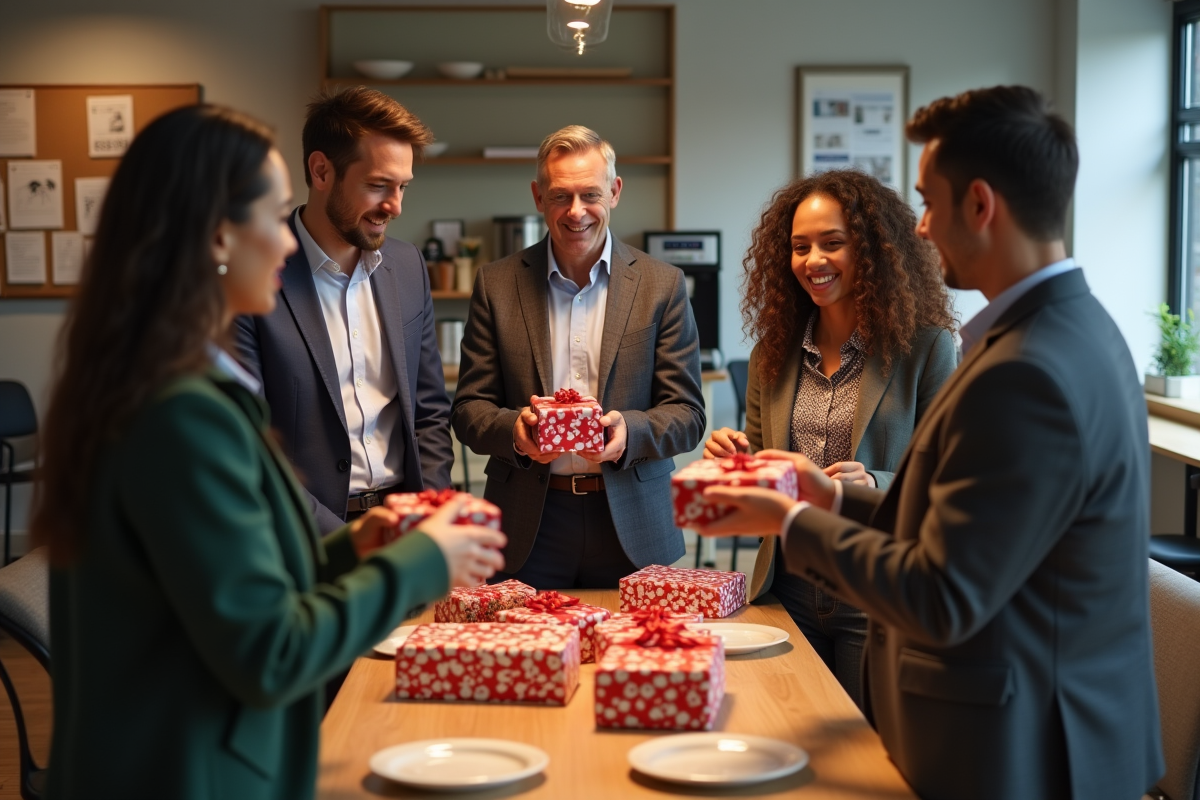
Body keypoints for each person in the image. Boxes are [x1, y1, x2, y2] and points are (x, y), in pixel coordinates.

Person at [698, 86, 1163, 800]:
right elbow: (965, 534)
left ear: (979, 205)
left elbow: (942, 593)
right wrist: (824, 494)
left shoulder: (1026, 371)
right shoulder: (1077, 331)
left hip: (1024, 750)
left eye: (929, 201)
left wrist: (793, 520)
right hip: (1050, 731)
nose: (918, 228)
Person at [32, 105, 506, 800]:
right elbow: (271, 650)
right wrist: (419, 563)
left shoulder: (162, 383)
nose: (286, 245)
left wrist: (358, 547)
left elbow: (230, 583)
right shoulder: (180, 418)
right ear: (220, 234)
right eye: (273, 214)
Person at [704, 168, 957, 708]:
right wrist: (734, 459)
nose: (812, 260)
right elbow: (760, 470)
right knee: (792, 728)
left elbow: (946, 482)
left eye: (832, 243)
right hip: (787, 586)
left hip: (874, 591)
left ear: (871, 251)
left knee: (868, 756)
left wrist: (873, 480)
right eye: (800, 247)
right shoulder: (771, 356)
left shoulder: (928, 350)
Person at [451, 125, 705, 588]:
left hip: (634, 524)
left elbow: (687, 413)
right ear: (537, 196)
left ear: (614, 191)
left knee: (638, 657)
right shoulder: (496, 283)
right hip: (529, 524)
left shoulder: (662, 284)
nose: (576, 212)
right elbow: (469, 409)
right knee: (526, 658)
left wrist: (629, 432)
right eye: (559, 196)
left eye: (590, 194)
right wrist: (517, 433)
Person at [234, 87, 453, 535]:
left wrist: (429, 516)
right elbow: (250, 445)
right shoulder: (252, 277)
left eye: (402, 187)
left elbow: (429, 412)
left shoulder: (408, 266)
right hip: (300, 538)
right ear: (321, 171)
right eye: (377, 186)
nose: (395, 206)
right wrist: (347, 543)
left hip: (405, 529)